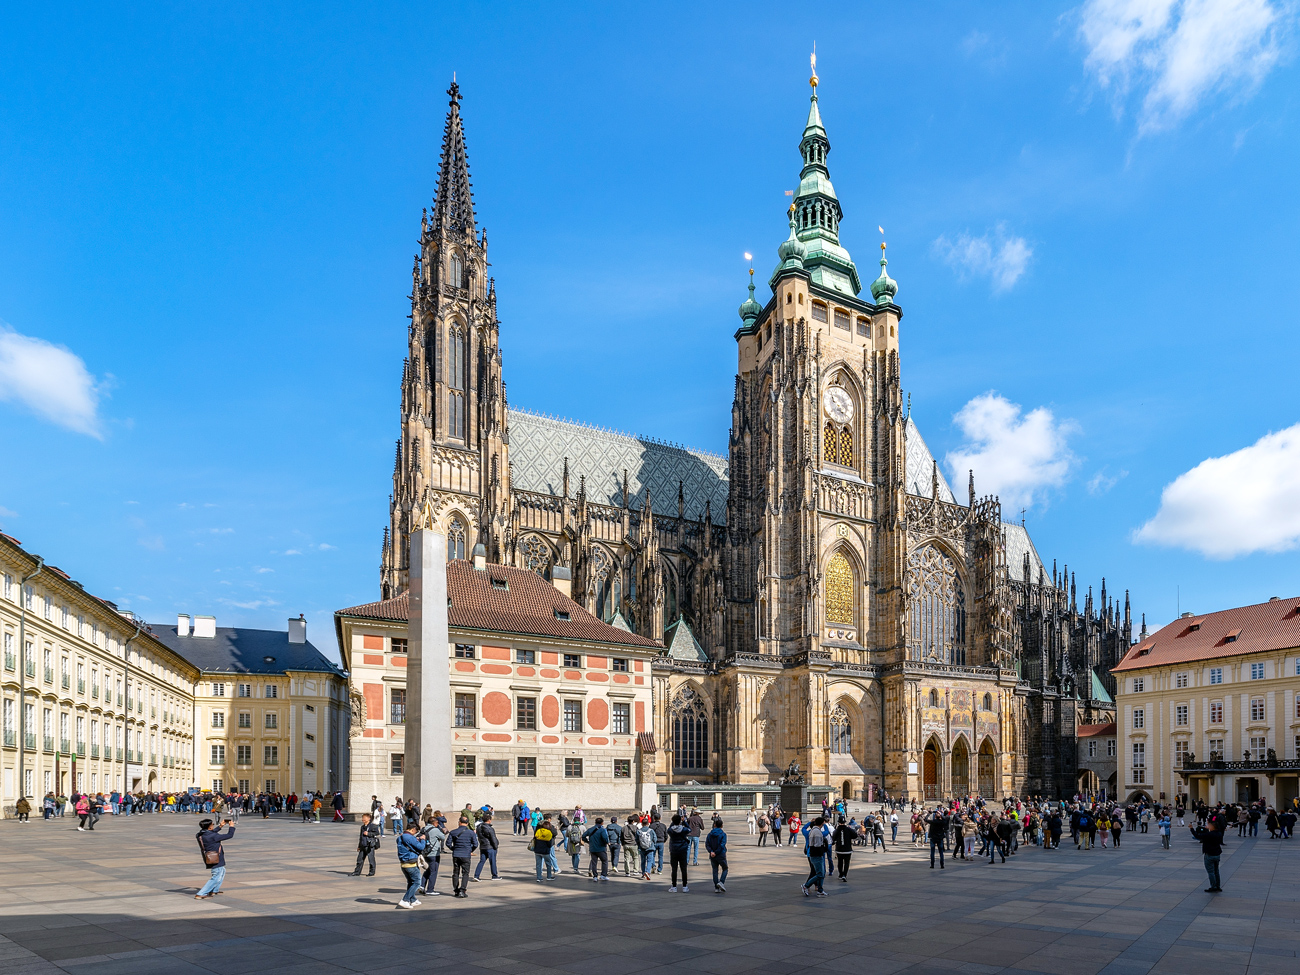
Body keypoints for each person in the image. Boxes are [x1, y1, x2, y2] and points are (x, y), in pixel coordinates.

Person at [194, 817, 236, 899]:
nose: (213, 825)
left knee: (222, 871)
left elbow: (211, 832)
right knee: (216, 876)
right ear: (209, 827)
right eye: (212, 824)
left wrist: (220, 826)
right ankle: (201, 893)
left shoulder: (200, 834)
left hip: (210, 856)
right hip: (216, 858)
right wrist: (231, 827)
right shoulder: (213, 836)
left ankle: (214, 890)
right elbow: (229, 835)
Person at [444, 815, 479, 898]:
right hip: (466, 855)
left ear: (459, 822)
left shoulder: (453, 832)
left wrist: (454, 849)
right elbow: (475, 844)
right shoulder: (471, 832)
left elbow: (448, 843)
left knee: (455, 873)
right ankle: (462, 890)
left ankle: (456, 890)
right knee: (465, 873)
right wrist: (470, 850)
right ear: (467, 823)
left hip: (456, 854)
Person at [396, 823, 427, 908]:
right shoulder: (410, 837)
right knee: (417, 882)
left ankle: (413, 900)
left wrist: (415, 839)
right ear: (413, 829)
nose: (415, 833)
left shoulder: (401, 837)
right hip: (411, 863)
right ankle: (405, 900)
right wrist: (423, 840)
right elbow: (421, 847)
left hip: (404, 863)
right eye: (416, 831)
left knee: (411, 882)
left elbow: (408, 844)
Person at [1190, 818, 1225, 892]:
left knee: (1211, 871)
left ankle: (1213, 886)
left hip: (1209, 854)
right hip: (1217, 854)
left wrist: (1191, 829)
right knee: (1216, 871)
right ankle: (1218, 886)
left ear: (1212, 826)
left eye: (1209, 825)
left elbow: (1197, 836)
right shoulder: (1219, 833)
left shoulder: (1209, 834)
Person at [801, 816, 829, 896]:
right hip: (816, 854)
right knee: (820, 873)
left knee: (817, 872)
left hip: (810, 853)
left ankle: (819, 888)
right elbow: (818, 844)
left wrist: (810, 822)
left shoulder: (809, 832)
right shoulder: (817, 832)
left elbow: (803, 829)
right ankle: (807, 885)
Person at [666, 813, 691, 892]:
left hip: (674, 850)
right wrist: (684, 822)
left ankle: (674, 886)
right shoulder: (683, 830)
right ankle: (684, 886)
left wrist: (674, 822)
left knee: (674, 869)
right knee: (684, 869)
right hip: (683, 850)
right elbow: (689, 829)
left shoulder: (671, 830)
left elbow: (669, 828)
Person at [582, 816, 611, 881]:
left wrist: (588, 842)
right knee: (604, 861)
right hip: (601, 848)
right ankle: (603, 875)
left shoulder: (590, 829)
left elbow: (583, 836)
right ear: (602, 823)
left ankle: (595, 876)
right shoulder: (602, 830)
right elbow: (605, 838)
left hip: (592, 848)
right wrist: (606, 842)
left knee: (594, 862)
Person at [473, 813, 499, 880]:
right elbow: (493, 838)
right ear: (489, 820)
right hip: (490, 847)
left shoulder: (479, 827)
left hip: (483, 846)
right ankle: (494, 875)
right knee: (492, 861)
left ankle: (476, 875)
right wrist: (495, 846)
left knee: (481, 861)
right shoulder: (490, 828)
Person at [706, 816, 728, 892]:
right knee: (725, 868)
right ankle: (721, 882)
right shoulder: (723, 834)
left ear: (714, 825)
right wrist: (716, 852)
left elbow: (707, 844)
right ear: (722, 826)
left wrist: (711, 851)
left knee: (715, 870)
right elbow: (722, 845)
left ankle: (716, 887)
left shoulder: (710, 834)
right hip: (721, 854)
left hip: (712, 855)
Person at [532, 813, 557, 881]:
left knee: (538, 865)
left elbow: (535, 837)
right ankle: (549, 876)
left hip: (537, 850)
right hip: (545, 851)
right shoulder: (549, 833)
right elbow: (549, 843)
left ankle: (539, 877)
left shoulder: (538, 831)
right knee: (548, 864)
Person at [832, 816, 855, 882]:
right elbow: (855, 835)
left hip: (839, 849)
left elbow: (833, 838)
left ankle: (840, 874)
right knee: (846, 863)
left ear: (839, 822)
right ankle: (844, 875)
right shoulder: (848, 829)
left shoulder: (836, 830)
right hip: (847, 849)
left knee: (840, 862)